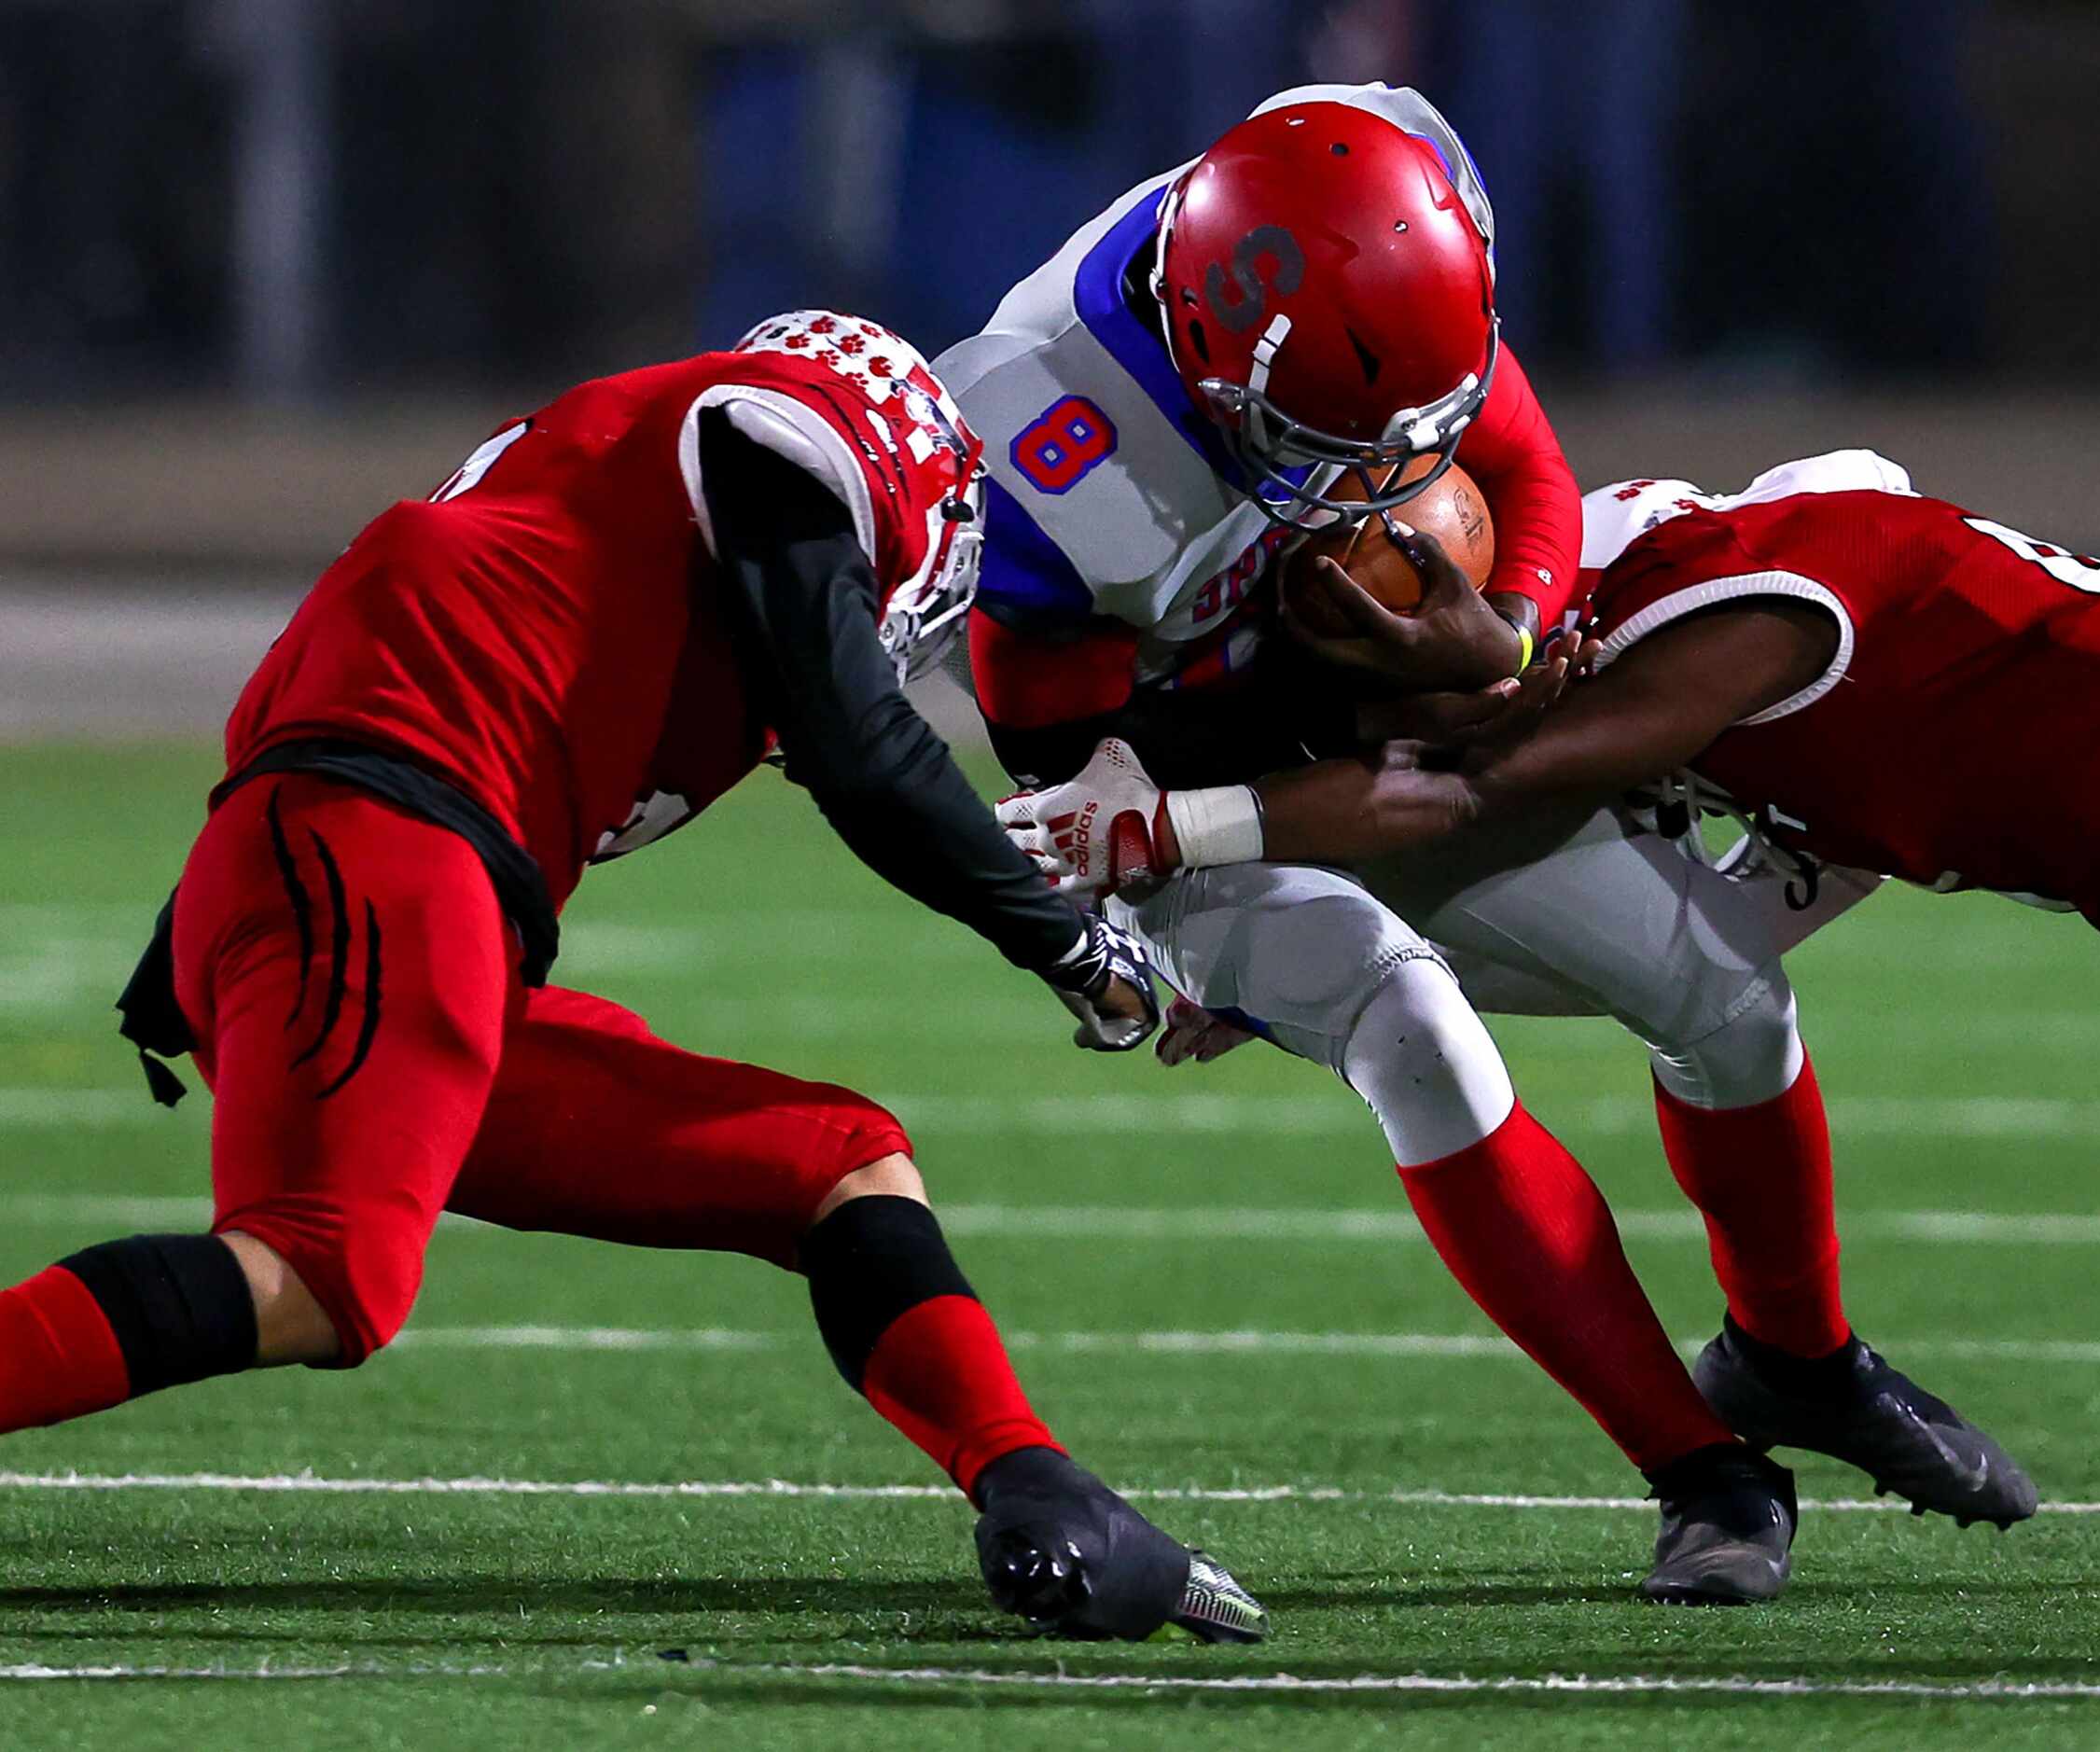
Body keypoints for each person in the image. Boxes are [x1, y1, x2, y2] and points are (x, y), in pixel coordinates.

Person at [1007, 449, 2100, 1577]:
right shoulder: (1757, 624)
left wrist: (1192, 828)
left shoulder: (1738, 601)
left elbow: (1496, 772)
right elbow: (1692, 899)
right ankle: (1790, 1360)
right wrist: (1270, 957)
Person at [0, 312, 1264, 1644]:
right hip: (381, 862)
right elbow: (862, 750)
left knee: (837, 1157)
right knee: (323, 1270)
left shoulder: (593, 508)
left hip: (369, 893)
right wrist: (1070, 946)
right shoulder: (780, 441)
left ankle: (1038, 1486)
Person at [945, 87, 2031, 1603]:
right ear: (1208, 365)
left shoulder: (1377, 237)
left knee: (1723, 987)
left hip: (1378, 733)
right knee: (1416, 1028)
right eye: (1328, 447)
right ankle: (1702, 1473)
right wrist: (1320, 740)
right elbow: (1076, 781)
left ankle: (1802, 1357)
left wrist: (1494, 636)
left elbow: (1513, 466)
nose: (1377, 479)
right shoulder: (1047, 437)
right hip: (1169, 788)